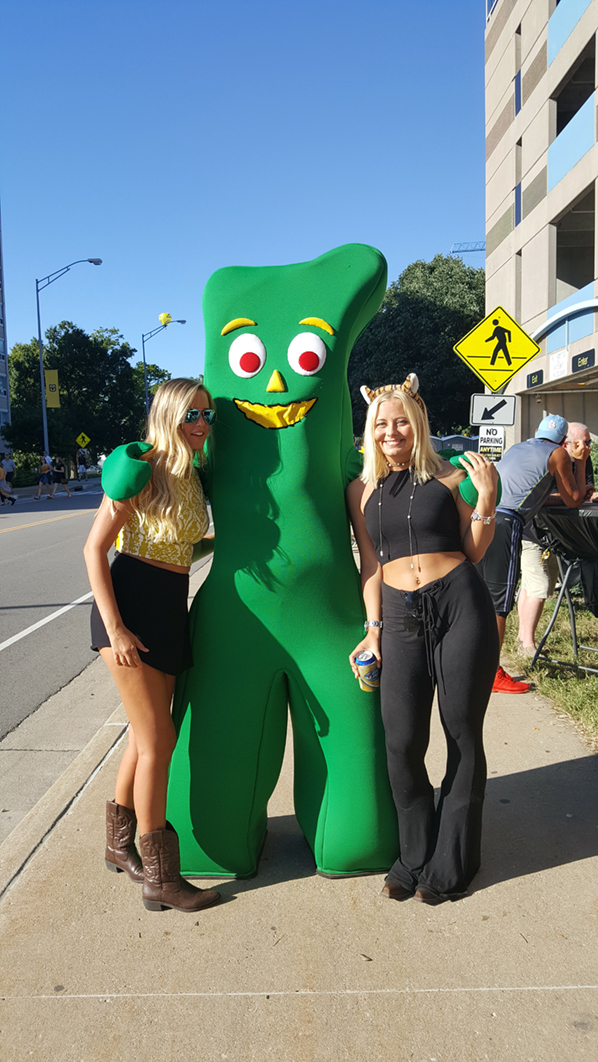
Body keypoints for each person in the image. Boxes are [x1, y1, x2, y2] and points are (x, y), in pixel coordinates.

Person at [347, 375, 499, 905]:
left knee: (462, 733)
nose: (391, 432)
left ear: (418, 424)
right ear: (370, 430)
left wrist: (486, 499)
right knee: (402, 739)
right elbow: (370, 563)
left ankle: (453, 861)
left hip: (460, 605)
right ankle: (413, 854)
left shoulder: (451, 476)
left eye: (401, 423)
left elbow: (474, 550)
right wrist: (373, 631)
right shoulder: (360, 490)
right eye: (381, 424)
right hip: (398, 615)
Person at [83, 378, 220, 914]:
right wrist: (115, 628)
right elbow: (94, 549)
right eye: (191, 414)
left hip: (168, 612)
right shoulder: (139, 469)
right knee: (160, 742)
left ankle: (119, 847)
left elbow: (182, 545)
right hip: (130, 610)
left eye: (207, 415)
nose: (201, 424)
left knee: (146, 738)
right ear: (167, 414)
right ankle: (160, 877)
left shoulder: (191, 473)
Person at [478, 415, 587, 692]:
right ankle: (491, 673)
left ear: (538, 432)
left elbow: (532, 491)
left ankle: (472, 664)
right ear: (564, 441)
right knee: (499, 603)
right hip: (507, 523)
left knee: (479, 595)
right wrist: (582, 462)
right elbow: (573, 500)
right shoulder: (558, 454)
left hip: (483, 514)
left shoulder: (519, 448)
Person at [517, 422, 595, 654]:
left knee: (538, 584)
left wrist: (584, 489)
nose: (586, 447)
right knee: (539, 585)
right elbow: (544, 497)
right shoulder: (550, 457)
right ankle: (527, 644)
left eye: (589, 442)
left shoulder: (582, 458)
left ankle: (522, 636)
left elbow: (583, 491)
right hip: (534, 530)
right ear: (565, 443)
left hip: (559, 533)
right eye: (581, 443)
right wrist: (571, 497)